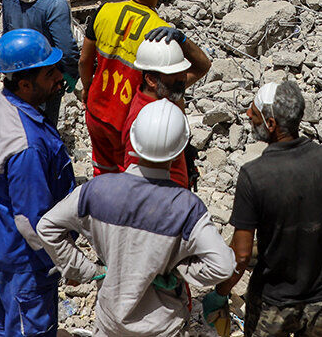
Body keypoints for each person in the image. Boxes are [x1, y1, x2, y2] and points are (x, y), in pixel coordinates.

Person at [38, 99, 235, 337]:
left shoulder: (96, 190)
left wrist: (86, 270)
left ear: (133, 139)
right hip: (161, 326)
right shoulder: (186, 208)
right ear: (180, 150)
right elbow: (223, 266)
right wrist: (178, 271)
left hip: (110, 321)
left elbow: (47, 227)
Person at [216, 82, 322, 337]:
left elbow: (241, 256)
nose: (248, 116)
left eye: (254, 112)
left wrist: (220, 292)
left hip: (272, 304)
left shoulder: (254, 176)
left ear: (271, 124)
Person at [0, 29, 75, 337]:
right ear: (25, 83)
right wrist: (67, 259)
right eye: (50, 72)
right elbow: (33, 221)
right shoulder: (27, 144)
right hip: (26, 260)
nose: (59, 77)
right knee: (30, 327)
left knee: (6, 321)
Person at [78, 0, 176, 176]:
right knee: (129, 178)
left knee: (102, 170)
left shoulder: (105, 11)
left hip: (96, 108)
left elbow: (84, 59)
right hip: (127, 119)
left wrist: (86, 88)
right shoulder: (159, 30)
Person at [121, 29, 211, 188]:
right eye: (174, 73)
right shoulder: (143, 121)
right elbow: (135, 180)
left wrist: (183, 41)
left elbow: (202, 66)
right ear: (151, 79)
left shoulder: (168, 91)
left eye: (182, 71)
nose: (183, 77)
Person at [1, 0, 76, 123]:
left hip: (18, 75)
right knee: (45, 125)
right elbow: (65, 47)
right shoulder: (55, 3)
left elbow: (7, 36)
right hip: (46, 79)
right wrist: (70, 73)